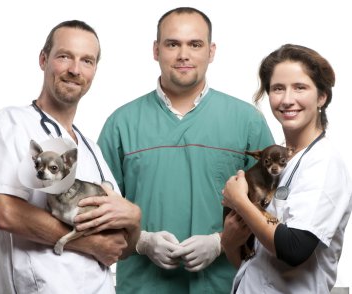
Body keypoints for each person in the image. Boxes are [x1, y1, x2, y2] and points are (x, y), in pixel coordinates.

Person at [96, 7, 273, 293]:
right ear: (156, 50)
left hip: (226, 285)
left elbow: (272, 208)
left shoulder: (247, 121)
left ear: (211, 51)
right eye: (172, 43)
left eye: (195, 44)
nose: (183, 54)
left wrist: (220, 242)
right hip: (143, 286)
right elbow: (97, 212)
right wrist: (141, 240)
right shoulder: (121, 124)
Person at [0, 20, 141, 294]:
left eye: (87, 61)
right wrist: (89, 243)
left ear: (94, 71)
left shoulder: (90, 150)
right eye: (65, 56)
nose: (75, 70)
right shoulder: (13, 123)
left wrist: (134, 218)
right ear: (43, 59)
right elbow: (4, 212)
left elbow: (120, 247)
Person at [221, 44, 352, 293]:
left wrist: (240, 201)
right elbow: (257, 266)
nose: (287, 99)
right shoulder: (283, 162)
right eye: (277, 88)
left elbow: (294, 248)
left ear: (322, 96)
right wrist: (229, 244)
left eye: (300, 87)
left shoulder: (323, 164)